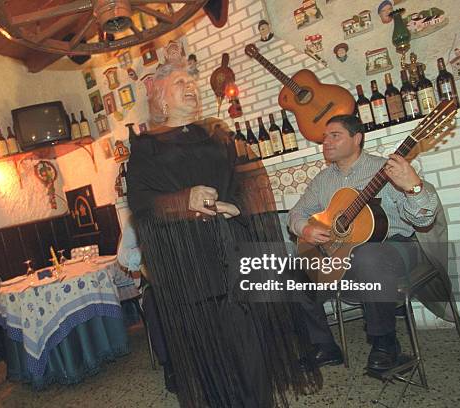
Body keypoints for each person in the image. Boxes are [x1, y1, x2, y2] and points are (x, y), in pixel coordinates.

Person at [127, 59, 320, 407]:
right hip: (190, 267)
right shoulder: (145, 150)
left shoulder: (217, 134)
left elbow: (248, 180)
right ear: (162, 100)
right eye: (179, 82)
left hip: (232, 251)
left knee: (250, 343)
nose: (191, 86)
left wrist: (235, 206)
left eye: (192, 80)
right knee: (212, 354)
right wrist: (184, 200)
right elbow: (141, 205)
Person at [288, 115, 439, 371]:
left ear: (356, 139)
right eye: (324, 137)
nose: (326, 141)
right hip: (343, 254)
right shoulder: (323, 180)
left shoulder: (385, 169)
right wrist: (306, 228)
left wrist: (414, 187)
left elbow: (425, 217)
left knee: (367, 256)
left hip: (395, 247)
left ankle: (385, 345)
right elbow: (296, 214)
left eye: (335, 135)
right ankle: (325, 346)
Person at [117, 219, 177, 393]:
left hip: (188, 275)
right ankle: (170, 366)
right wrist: (145, 257)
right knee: (153, 303)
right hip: (156, 281)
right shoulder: (138, 215)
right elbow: (122, 254)